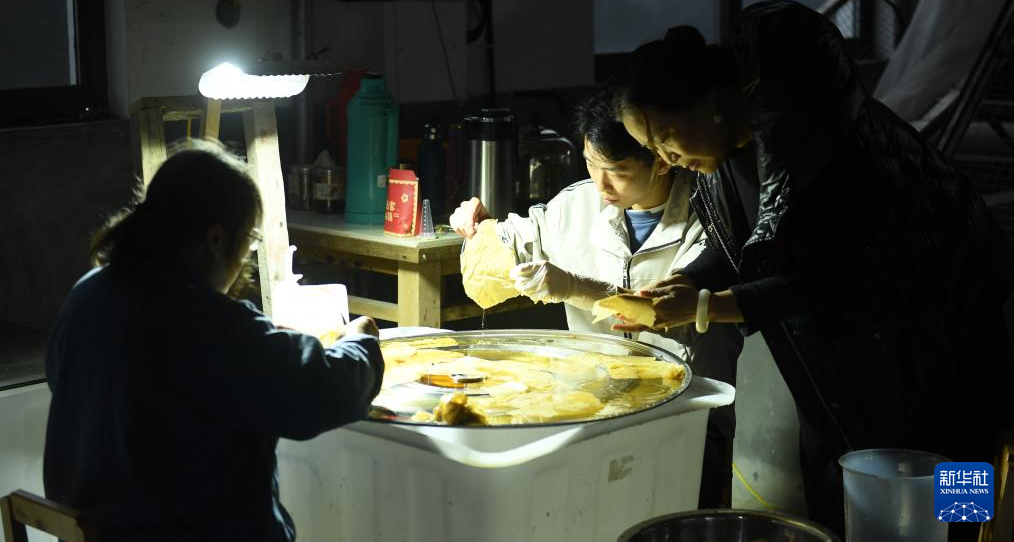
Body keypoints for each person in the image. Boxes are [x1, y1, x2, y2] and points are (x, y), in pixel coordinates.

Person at [614, 0, 1014, 538]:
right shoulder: (724, 158)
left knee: (952, 488)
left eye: (664, 136)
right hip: (841, 363)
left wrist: (706, 306)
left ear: (711, 103)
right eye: (650, 146)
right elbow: (747, 249)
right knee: (852, 494)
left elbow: (838, 277)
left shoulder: (830, 145)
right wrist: (692, 280)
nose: (663, 159)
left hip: (939, 347)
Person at [43, 140, 384, 542]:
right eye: (249, 241)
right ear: (217, 239)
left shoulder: (88, 294)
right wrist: (359, 342)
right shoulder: (193, 314)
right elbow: (318, 391)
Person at [449, 89, 743, 507]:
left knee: (683, 509)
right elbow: (515, 239)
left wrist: (574, 287)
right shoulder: (576, 205)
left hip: (686, 411)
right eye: (591, 163)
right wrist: (478, 226)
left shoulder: (710, 216)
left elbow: (670, 310)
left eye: (617, 170)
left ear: (662, 159)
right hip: (594, 409)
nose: (600, 184)